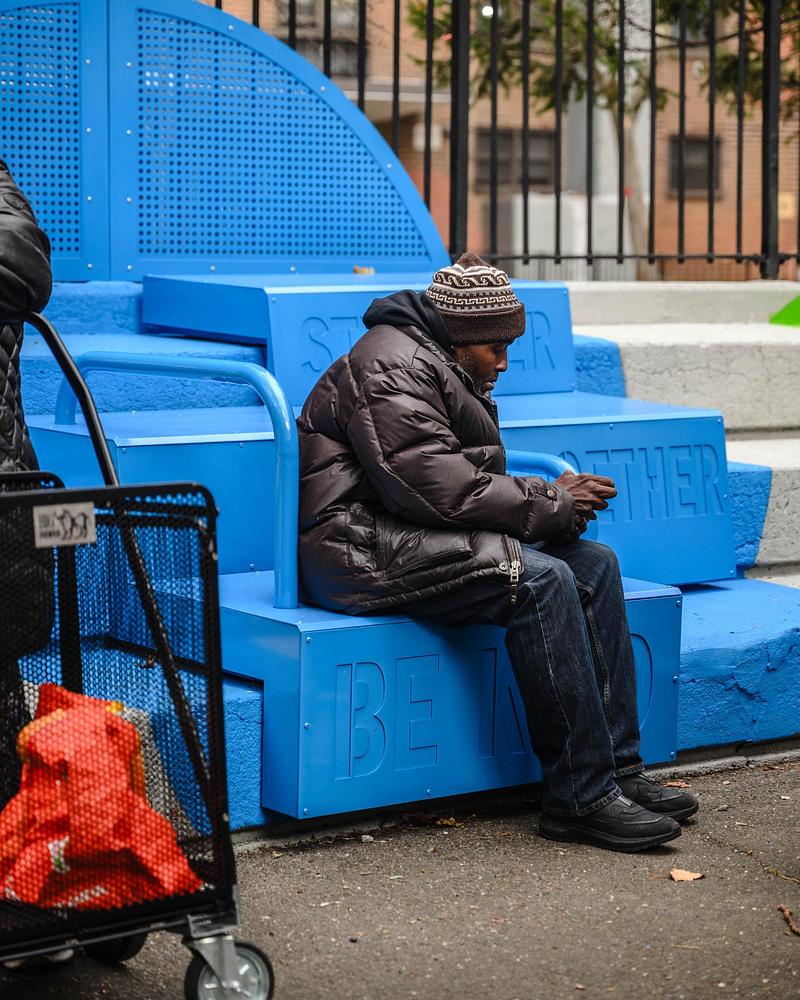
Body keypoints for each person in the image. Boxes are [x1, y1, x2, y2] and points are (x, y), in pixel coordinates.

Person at [298, 253, 698, 853]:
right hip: (360, 548)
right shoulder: (391, 366)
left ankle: (615, 770)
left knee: (594, 565)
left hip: (408, 532)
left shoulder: (437, 358)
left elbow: (449, 487)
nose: (504, 363)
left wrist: (551, 505)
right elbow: (436, 489)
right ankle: (579, 798)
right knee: (535, 579)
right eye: (497, 349)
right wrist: (552, 500)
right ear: (461, 336)